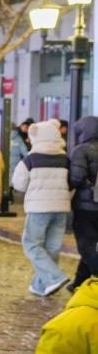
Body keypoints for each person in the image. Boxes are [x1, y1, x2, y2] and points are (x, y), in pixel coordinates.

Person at [12, 119, 73, 297]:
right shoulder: (64, 159)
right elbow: (72, 183)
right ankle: (40, 285)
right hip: (61, 207)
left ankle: (55, 277)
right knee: (52, 246)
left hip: (39, 207)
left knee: (31, 244)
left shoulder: (31, 159)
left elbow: (19, 184)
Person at [69, 116, 98, 292]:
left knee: (86, 245)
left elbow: (76, 178)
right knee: (91, 246)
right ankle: (79, 283)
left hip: (86, 206)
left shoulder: (82, 150)